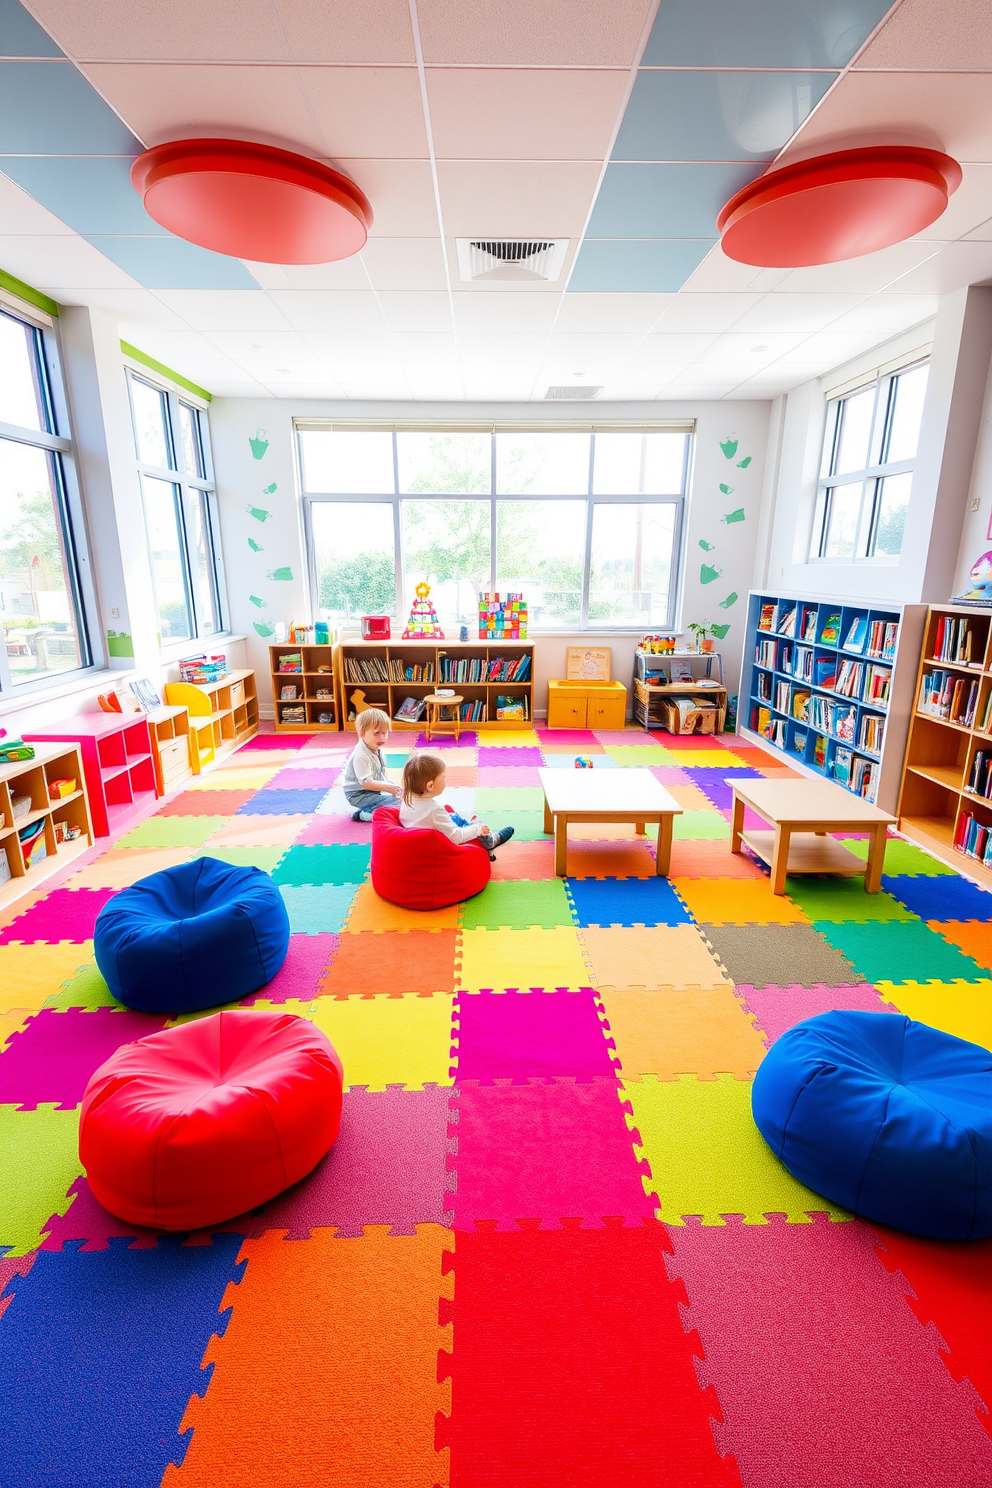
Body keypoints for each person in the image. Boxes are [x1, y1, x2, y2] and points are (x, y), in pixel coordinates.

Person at [400, 752, 514, 857]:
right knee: (477, 825)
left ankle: (479, 830)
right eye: (443, 777)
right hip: (440, 843)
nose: (446, 779)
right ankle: (491, 841)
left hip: (425, 833)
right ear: (430, 786)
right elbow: (455, 836)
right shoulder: (434, 811)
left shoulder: (407, 797)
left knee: (456, 817)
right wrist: (476, 829)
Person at [342, 709, 401, 821]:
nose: (382, 738)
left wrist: (396, 788)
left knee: (405, 800)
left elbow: (381, 775)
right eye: (376, 733)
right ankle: (365, 814)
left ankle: (376, 808)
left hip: (372, 791)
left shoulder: (375, 749)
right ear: (362, 734)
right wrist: (389, 788)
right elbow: (366, 783)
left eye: (385, 733)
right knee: (399, 804)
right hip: (359, 795)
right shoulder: (361, 755)